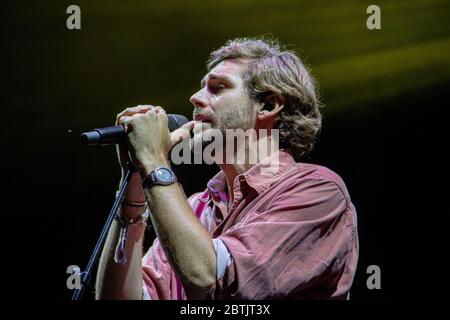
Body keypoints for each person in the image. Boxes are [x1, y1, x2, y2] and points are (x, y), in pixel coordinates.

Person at [95, 37, 359, 300]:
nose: (195, 98)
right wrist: (134, 190)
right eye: (201, 88)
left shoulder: (317, 192)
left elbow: (211, 282)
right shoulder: (196, 208)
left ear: (268, 105)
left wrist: (154, 161)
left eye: (218, 87)